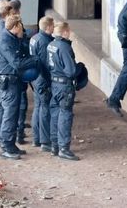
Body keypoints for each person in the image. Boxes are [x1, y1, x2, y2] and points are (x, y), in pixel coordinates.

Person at [0, 15, 35, 158]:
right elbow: (16, 63)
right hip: (8, 81)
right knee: (9, 114)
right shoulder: (5, 41)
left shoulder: (11, 38)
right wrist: (34, 60)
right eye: (21, 26)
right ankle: (6, 147)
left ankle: (11, 144)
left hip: (12, 80)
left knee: (13, 113)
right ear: (15, 27)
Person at [47, 21, 80, 160]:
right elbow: (71, 71)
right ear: (65, 32)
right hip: (64, 85)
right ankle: (63, 148)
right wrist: (80, 69)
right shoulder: (64, 47)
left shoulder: (51, 44)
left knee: (55, 114)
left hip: (54, 83)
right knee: (65, 115)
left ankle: (54, 145)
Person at [29, 16, 55, 151]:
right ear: (48, 27)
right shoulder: (45, 42)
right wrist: (50, 81)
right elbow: (46, 64)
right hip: (43, 79)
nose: (54, 28)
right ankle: (45, 141)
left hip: (35, 78)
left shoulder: (34, 38)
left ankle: (36, 138)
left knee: (38, 107)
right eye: (53, 25)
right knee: (45, 109)